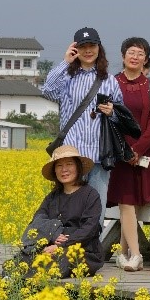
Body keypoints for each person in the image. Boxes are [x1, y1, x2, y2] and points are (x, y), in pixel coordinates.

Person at [40, 28, 123, 205]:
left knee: (96, 209)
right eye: (83, 47)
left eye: (92, 46)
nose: (88, 51)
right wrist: (65, 62)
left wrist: (112, 112)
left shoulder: (109, 80)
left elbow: (121, 117)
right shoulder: (66, 78)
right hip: (72, 156)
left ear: (99, 48)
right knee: (70, 208)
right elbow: (47, 91)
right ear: (75, 49)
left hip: (99, 155)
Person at [107, 36, 150, 272]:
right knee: (126, 202)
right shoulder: (111, 83)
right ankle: (137, 255)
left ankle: (123, 253)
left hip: (144, 155)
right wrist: (125, 150)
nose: (135, 57)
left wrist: (137, 149)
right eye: (131, 52)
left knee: (132, 205)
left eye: (140, 54)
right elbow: (106, 118)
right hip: (119, 154)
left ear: (146, 59)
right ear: (123, 56)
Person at [18, 145, 105, 277]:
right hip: (51, 247)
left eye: (69, 164)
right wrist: (53, 233)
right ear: (55, 171)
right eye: (59, 166)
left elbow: (90, 228)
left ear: (78, 167)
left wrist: (62, 245)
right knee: (22, 260)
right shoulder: (52, 197)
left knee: (58, 262)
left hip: (83, 250)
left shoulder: (90, 195)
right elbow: (38, 220)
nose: (64, 170)